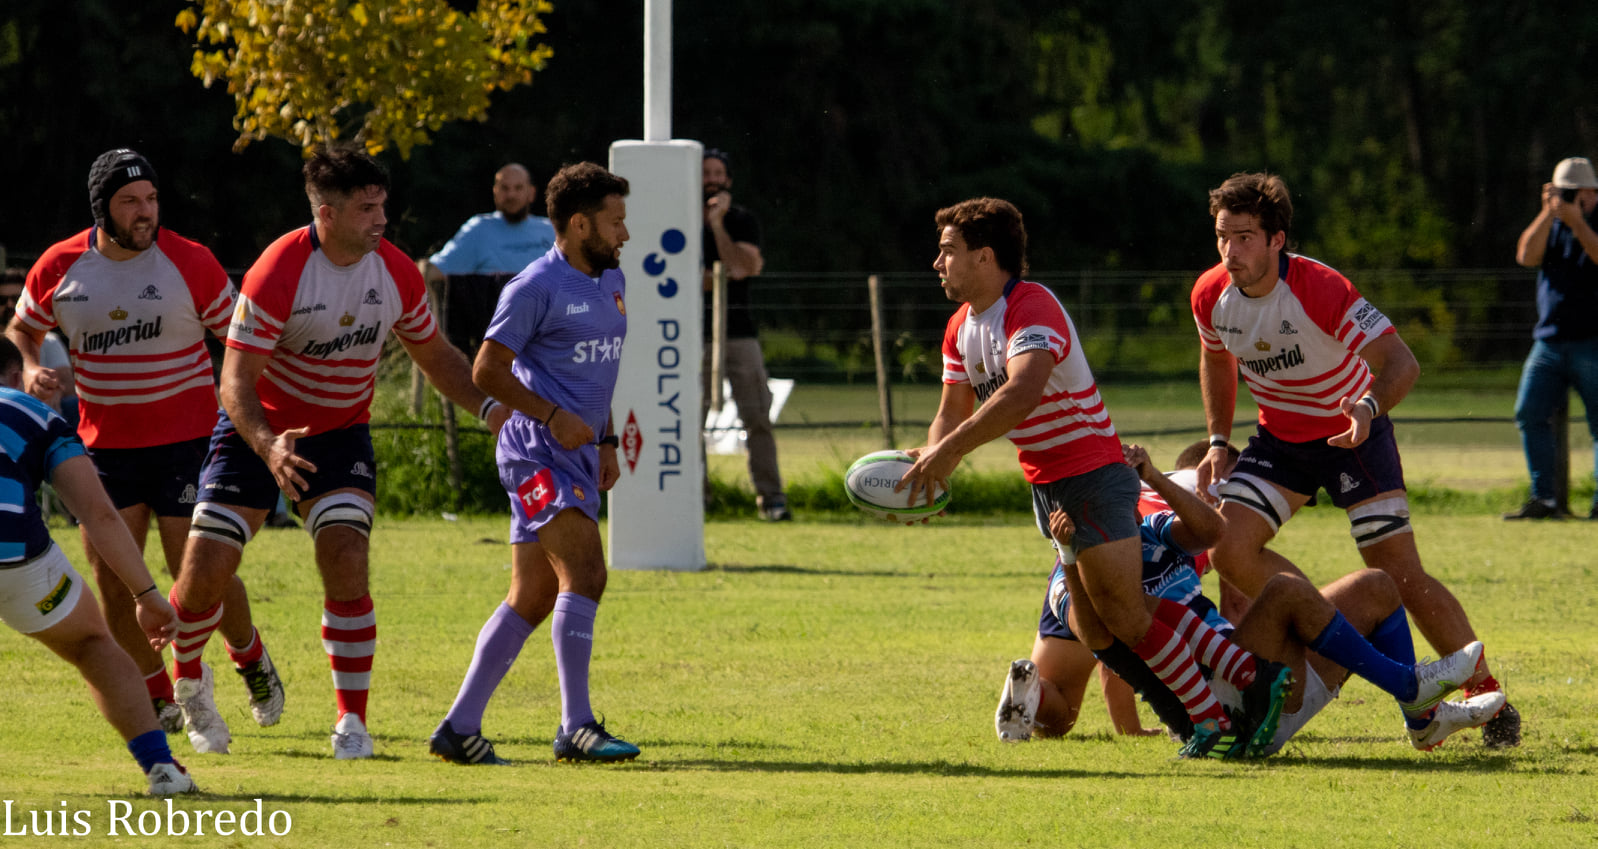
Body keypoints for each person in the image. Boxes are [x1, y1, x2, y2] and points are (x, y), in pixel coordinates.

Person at [898, 197, 1290, 759]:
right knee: (1115, 619)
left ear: (984, 257)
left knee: (1125, 616)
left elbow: (1021, 392)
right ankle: (1240, 685)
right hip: (1050, 484)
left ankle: (1222, 704)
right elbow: (951, 410)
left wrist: (952, 452)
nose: (937, 263)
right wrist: (929, 461)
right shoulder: (960, 328)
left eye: (947, 252)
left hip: (1090, 473)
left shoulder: (1031, 307)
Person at [164, 145, 510, 759]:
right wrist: (269, 447)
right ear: (325, 214)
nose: (381, 219)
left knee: (346, 555)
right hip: (258, 431)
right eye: (367, 208)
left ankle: (353, 723)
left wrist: (489, 410)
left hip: (340, 432)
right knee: (202, 576)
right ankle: (191, 682)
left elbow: (436, 358)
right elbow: (235, 383)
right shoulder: (278, 270)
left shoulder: (395, 270)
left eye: (382, 205)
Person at [1191, 171, 1519, 747]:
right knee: (1225, 547)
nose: (1230, 251)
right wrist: (1219, 440)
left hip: (1353, 435)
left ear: (1277, 239)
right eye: (1222, 236)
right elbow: (1216, 360)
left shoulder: (1320, 287)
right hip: (1280, 441)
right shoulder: (1209, 295)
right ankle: (1326, 625)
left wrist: (1367, 408)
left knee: (1401, 579)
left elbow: (1402, 364)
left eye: (1244, 237)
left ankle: (1486, 695)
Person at [6, 149, 282, 749]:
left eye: (152, 199)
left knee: (198, 572)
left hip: (188, 441)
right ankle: (160, 694)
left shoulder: (191, 261)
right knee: (113, 581)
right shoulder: (60, 265)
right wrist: (29, 367)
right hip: (103, 450)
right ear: (102, 209)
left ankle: (248, 653)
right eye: (131, 201)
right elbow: (22, 329)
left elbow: (241, 340)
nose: (145, 212)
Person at [428, 162, 639, 766]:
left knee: (534, 592)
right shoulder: (534, 287)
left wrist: (602, 440)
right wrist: (552, 418)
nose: (625, 234)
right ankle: (576, 727)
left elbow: (598, 370)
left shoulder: (610, 281)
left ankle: (459, 729)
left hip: (576, 454)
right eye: (615, 222)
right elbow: (485, 371)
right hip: (535, 452)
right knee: (587, 572)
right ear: (579, 224)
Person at [0, 336, 197, 795]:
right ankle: (161, 770)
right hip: (16, 563)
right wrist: (147, 596)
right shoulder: (34, 413)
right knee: (91, 644)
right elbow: (98, 513)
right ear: (15, 378)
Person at [996, 441, 1235, 741]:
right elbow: (1129, 639)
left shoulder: (1148, 485)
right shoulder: (1206, 504)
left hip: (1069, 561)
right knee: (1138, 627)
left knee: (1059, 716)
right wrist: (1130, 728)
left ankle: (1032, 692)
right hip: (1122, 548)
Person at [1506, 156, 1598, 520]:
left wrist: (1578, 222)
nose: (1569, 199)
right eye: (1562, 191)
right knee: (1529, 413)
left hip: (1593, 341)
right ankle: (1544, 499)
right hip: (1548, 342)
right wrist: (1548, 214)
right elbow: (1526, 255)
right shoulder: (1553, 222)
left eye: (1574, 192)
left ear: (1592, 192)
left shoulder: (1588, 219)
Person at [699, 148, 789, 521]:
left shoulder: (742, 220)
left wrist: (718, 225)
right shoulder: (675, 223)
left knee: (757, 418)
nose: (712, 180)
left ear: (729, 181)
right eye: (705, 173)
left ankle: (771, 499)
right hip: (692, 336)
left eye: (719, 173)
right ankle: (696, 500)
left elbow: (741, 267)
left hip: (740, 335)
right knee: (688, 421)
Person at [422, 163, 557, 356]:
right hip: (496, 333)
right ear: (495, 192)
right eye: (504, 188)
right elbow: (434, 271)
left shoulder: (550, 231)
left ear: (531, 193)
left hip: (547, 330)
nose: (511, 195)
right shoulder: (479, 230)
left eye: (518, 188)